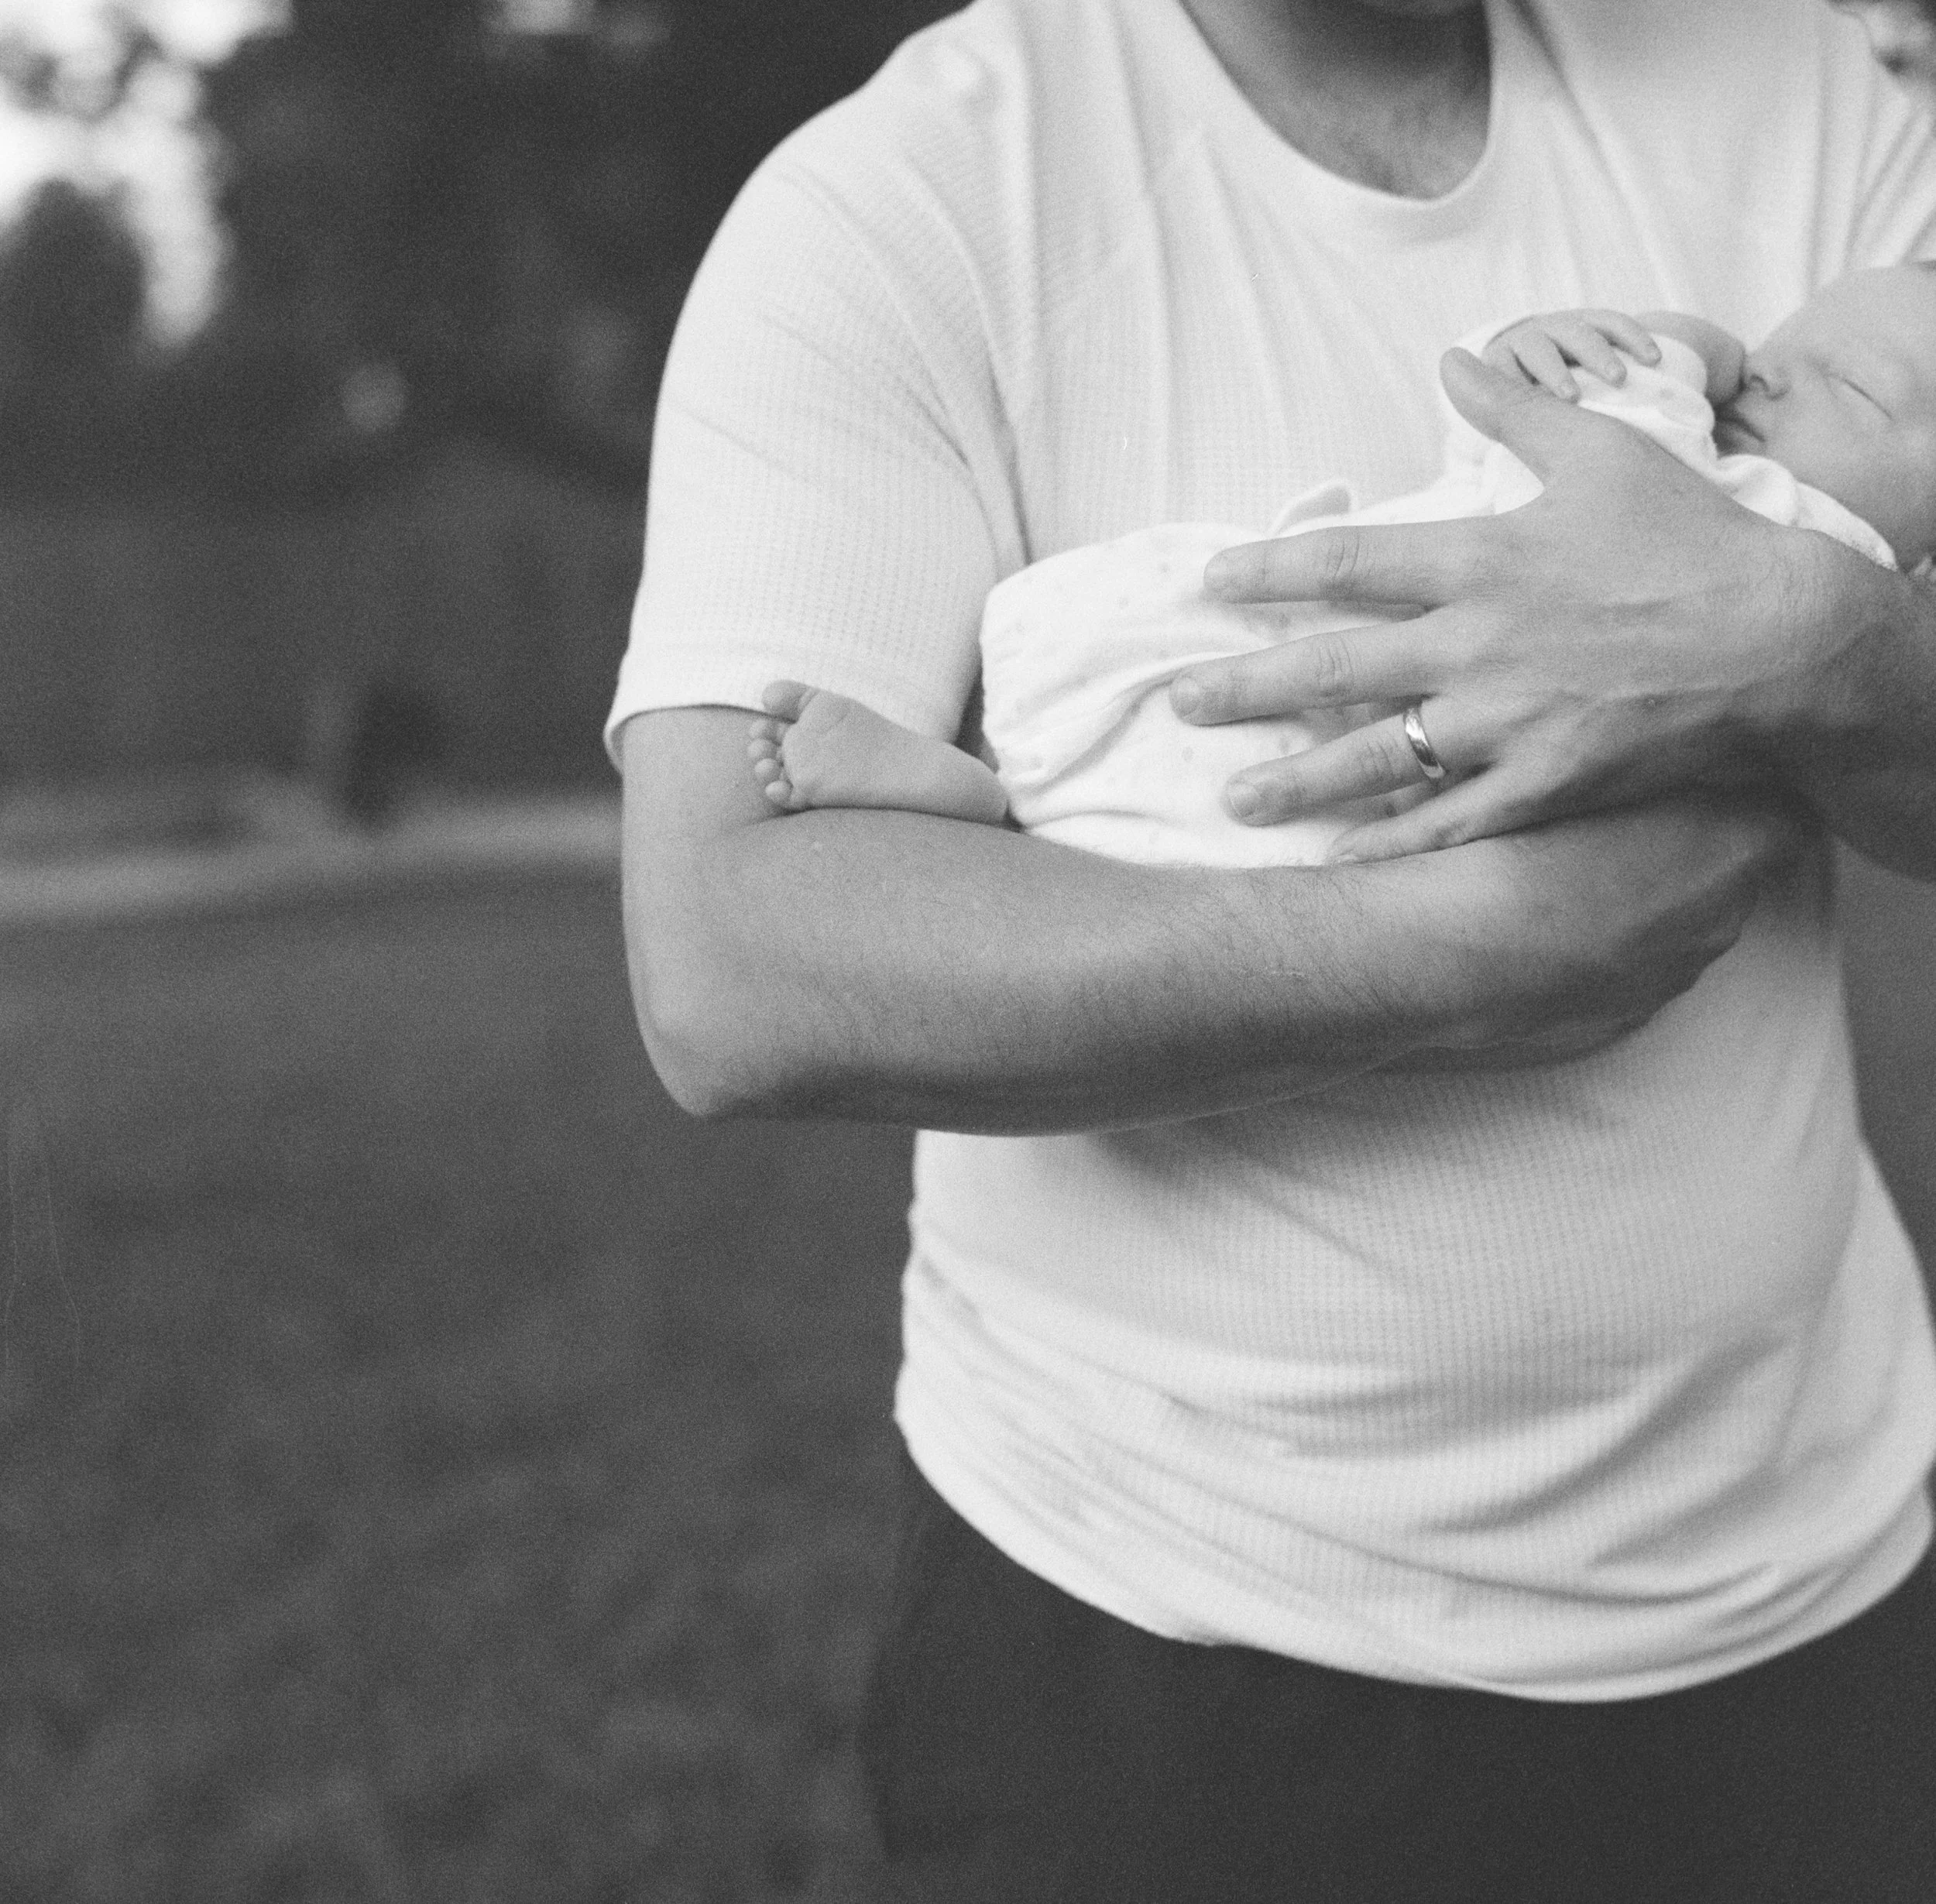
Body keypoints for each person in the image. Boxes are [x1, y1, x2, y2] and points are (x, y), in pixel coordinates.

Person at [610, 0, 1936, 1896]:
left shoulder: (1817, 90)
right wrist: (1455, 953)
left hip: (1813, 1595)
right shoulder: (904, 201)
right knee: (1183, 687)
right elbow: (728, 965)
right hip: (1178, 1634)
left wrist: (1813, 647)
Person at [742, 273, 1936, 861]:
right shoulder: (1709, 468)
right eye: (1780, 343)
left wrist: (1682, 348)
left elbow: (1639, 403)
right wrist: (1547, 348)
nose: (1768, 371)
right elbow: (1506, 411)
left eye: (1853, 387)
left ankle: (985, 803)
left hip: (1365, 736)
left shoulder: (1793, 536)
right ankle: (973, 777)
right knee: (1150, 662)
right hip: (1326, 641)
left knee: (1207, 800)